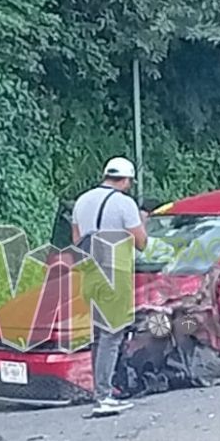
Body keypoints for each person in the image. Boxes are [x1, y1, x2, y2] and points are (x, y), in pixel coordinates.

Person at [71, 156, 147, 415]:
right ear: (125, 180)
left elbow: (76, 238)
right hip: (115, 271)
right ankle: (104, 396)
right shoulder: (125, 204)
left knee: (97, 334)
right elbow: (141, 242)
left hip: (90, 272)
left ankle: (99, 390)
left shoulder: (82, 201)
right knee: (112, 334)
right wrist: (143, 221)